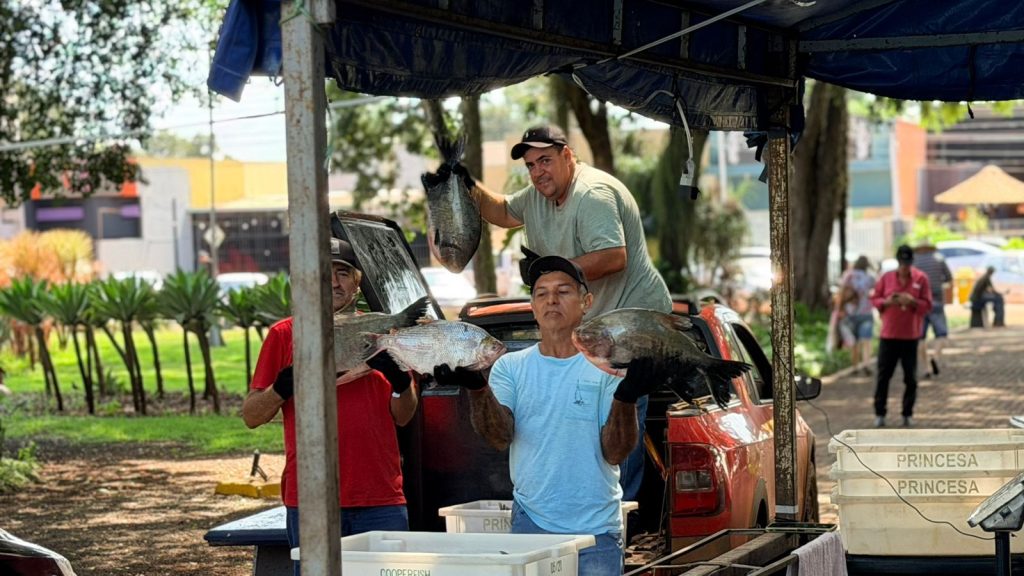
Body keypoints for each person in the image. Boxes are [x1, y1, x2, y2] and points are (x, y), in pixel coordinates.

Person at [456, 123, 671, 510]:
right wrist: (463, 182)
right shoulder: (538, 195)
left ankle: (625, 516)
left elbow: (614, 256)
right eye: (530, 165)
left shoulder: (592, 194)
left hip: (632, 323)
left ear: (567, 155)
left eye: (545, 160)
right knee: (588, 425)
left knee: (621, 412)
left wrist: (555, 270)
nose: (538, 171)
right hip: (596, 330)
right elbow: (501, 211)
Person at [433, 256, 662, 576]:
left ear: (587, 302)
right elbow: (499, 437)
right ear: (533, 305)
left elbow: (615, 452)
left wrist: (626, 397)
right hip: (531, 523)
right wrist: (477, 388)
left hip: (597, 529)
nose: (551, 299)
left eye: (563, 291)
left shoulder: (608, 367)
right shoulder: (510, 367)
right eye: (541, 293)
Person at [241, 237, 417, 574]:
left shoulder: (383, 330)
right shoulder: (284, 335)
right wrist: (282, 387)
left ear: (357, 282)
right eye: (324, 273)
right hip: (312, 500)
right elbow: (251, 416)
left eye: (343, 273)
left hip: (380, 498)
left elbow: (404, 415)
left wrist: (400, 384)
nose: (334, 282)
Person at [870, 245, 932, 429]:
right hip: (889, 335)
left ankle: (907, 413)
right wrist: (887, 302)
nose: (905, 267)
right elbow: (875, 299)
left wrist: (912, 301)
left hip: (910, 336)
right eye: (902, 263)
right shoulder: (886, 278)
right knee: (883, 377)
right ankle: (880, 413)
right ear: (898, 262)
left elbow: (927, 305)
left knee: (910, 378)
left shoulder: (921, 278)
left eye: (908, 263)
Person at [912, 245, 953, 378]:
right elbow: (949, 278)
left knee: (920, 337)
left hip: (920, 302)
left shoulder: (915, 261)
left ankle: (926, 368)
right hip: (937, 301)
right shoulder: (938, 259)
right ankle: (935, 356)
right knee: (941, 334)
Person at [837, 256, 876, 375]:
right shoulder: (870, 277)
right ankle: (866, 364)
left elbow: (841, 292)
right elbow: (875, 291)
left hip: (850, 312)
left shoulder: (848, 275)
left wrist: (840, 309)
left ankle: (855, 367)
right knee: (866, 340)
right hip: (866, 311)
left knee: (854, 341)